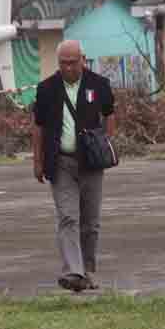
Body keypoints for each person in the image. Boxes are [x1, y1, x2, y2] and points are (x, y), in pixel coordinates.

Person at [32, 40, 116, 292]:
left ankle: (88, 270)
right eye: (63, 63)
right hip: (60, 162)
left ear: (83, 59)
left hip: (91, 162)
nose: (68, 67)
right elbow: (38, 127)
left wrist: (106, 143)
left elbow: (110, 114)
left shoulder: (99, 85)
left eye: (73, 62)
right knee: (68, 217)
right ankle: (73, 272)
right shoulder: (46, 88)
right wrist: (37, 160)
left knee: (90, 222)